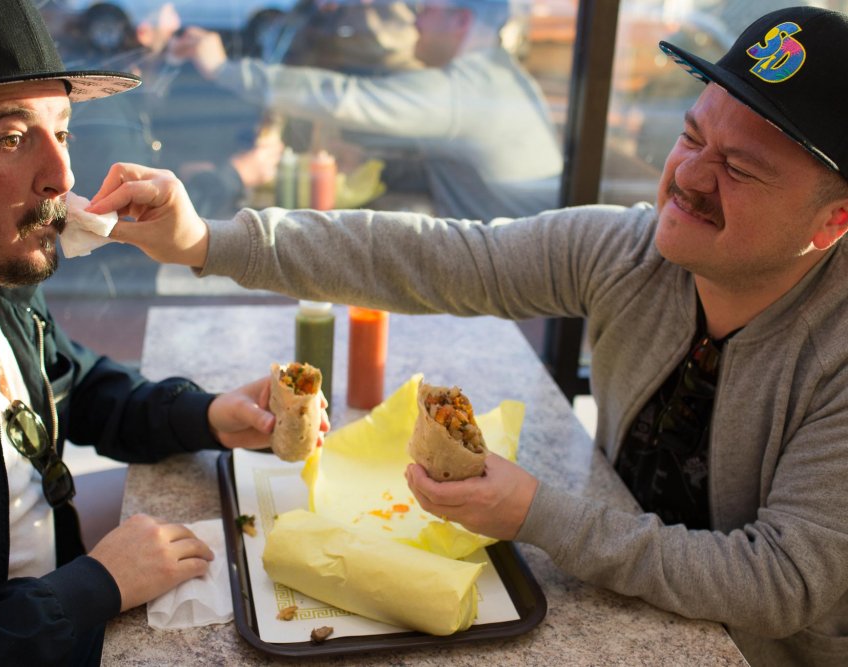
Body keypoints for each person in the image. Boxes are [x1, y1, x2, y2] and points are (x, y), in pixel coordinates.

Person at [98, 6, 848, 665]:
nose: (688, 176)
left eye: (741, 170)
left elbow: (782, 583)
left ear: (833, 221)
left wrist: (536, 514)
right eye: (691, 136)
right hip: (621, 606)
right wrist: (206, 241)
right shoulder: (629, 252)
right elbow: (435, 255)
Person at [0, 1, 325, 665]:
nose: (63, 177)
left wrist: (209, 413)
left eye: (63, 131)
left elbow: (79, 382)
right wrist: (95, 584)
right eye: (13, 137)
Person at [170, 0, 563, 222]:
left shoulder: (463, 92)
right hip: (516, 249)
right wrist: (378, 163)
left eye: (428, 9)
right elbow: (459, 171)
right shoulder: (498, 74)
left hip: (515, 285)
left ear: (460, 20)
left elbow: (344, 97)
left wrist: (225, 69)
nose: (416, 20)